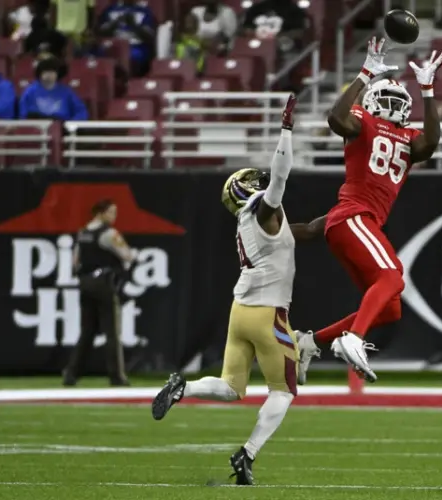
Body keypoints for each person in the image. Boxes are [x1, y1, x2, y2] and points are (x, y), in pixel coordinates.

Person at [151, 95, 326, 486]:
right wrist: (286, 131)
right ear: (245, 190)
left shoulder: (254, 223)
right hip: (267, 313)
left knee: (232, 387)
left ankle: (183, 386)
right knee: (284, 391)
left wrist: (350, 213)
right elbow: (279, 178)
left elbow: (310, 230)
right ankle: (247, 454)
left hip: (241, 311)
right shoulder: (263, 211)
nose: (260, 183)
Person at [295, 39, 442, 383]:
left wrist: (428, 91)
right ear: (370, 101)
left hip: (353, 220)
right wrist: (364, 74)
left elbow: (431, 142)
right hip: (355, 216)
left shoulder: (409, 137)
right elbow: (336, 118)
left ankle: (309, 343)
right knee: (392, 277)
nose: (392, 104)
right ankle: (353, 337)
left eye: (399, 100)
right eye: (386, 98)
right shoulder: (362, 122)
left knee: (390, 309)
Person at [63, 199, 137, 387]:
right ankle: (117, 376)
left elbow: (75, 261)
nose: (114, 216)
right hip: (103, 283)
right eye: (111, 212)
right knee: (112, 332)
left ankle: (71, 373)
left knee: (87, 331)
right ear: (101, 213)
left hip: (85, 283)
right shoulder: (108, 234)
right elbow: (127, 255)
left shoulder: (83, 233)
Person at [97, 0, 156, 76]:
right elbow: (101, 31)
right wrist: (116, 22)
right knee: (99, 55)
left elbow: (150, 35)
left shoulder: (144, 11)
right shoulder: (111, 9)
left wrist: (134, 25)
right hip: (113, 45)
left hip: (135, 45)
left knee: (134, 57)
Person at [19, 57, 89, 120]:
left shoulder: (67, 92)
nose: (49, 74)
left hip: (61, 125)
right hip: (37, 126)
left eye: (53, 72)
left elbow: (81, 111)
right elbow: (23, 114)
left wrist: (70, 124)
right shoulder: (30, 91)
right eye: (46, 71)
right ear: (40, 73)